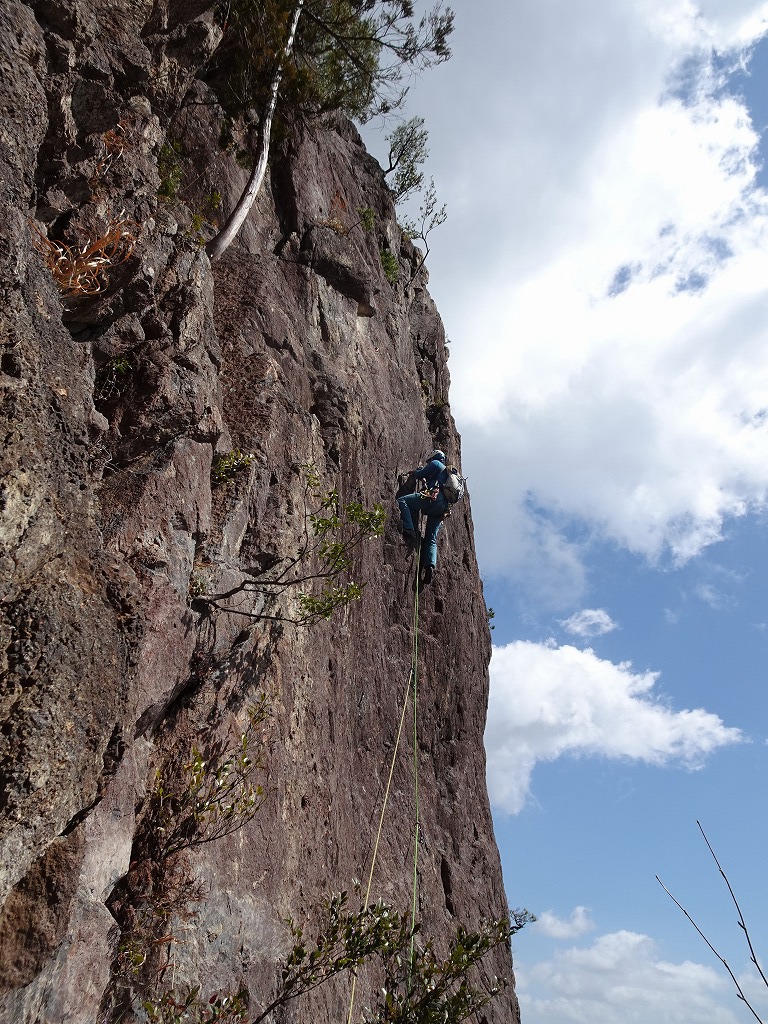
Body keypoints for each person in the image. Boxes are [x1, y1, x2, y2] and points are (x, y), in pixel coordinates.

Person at [397, 450, 450, 584]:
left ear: (433, 458)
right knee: (431, 538)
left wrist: (416, 472)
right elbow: (429, 483)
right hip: (442, 508)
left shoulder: (436, 464)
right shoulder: (445, 474)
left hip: (432, 498)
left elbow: (420, 474)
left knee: (403, 501)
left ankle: (409, 529)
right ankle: (430, 566)